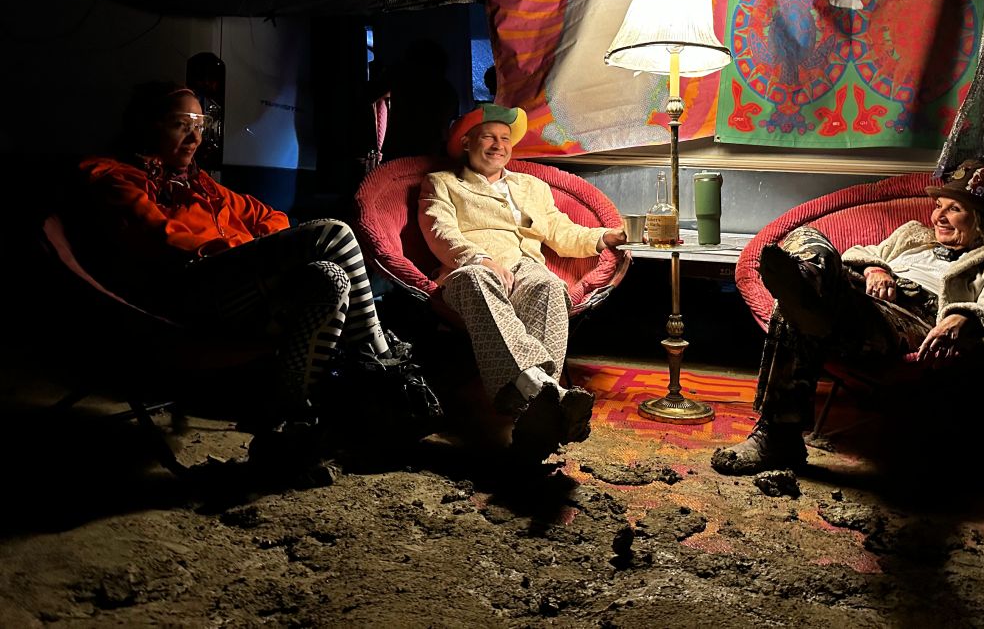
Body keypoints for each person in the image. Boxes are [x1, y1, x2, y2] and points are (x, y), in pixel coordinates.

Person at [74, 81, 428, 463]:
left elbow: (268, 215)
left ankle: (291, 416)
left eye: (200, 126)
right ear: (148, 125)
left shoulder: (199, 183)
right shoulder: (116, 178)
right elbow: (162, 238)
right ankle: (388, 373)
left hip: (237, 289)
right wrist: (244, 252)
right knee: (335, 233)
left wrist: (263, 251)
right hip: (186, 294)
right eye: (182, 125)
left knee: (329, 278)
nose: (195, 138)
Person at [711, 159, 984, 475]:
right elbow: (860, 253)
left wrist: (963, 317)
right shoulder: (913, 236)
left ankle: (777, 436)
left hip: (912, 317)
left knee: (793, 306)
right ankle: (807, 286)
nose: (939, 216)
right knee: (807, 236)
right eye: (939, 205)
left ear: (982, 217)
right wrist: (875, 269)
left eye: (954, 209)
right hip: (861, 295)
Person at [418, 103, 626, 459]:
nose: (498, 145)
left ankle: (536, 411)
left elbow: (560, 231)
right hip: (472, 267)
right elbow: (440, 230)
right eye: (489, 137)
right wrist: (480, 259)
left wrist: (605, 237)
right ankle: (545, 396)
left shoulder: (532, 187)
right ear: (466, 142)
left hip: (525, 268)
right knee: (476, 279)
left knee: (550, 285)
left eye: (505, 138)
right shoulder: (443, 183)